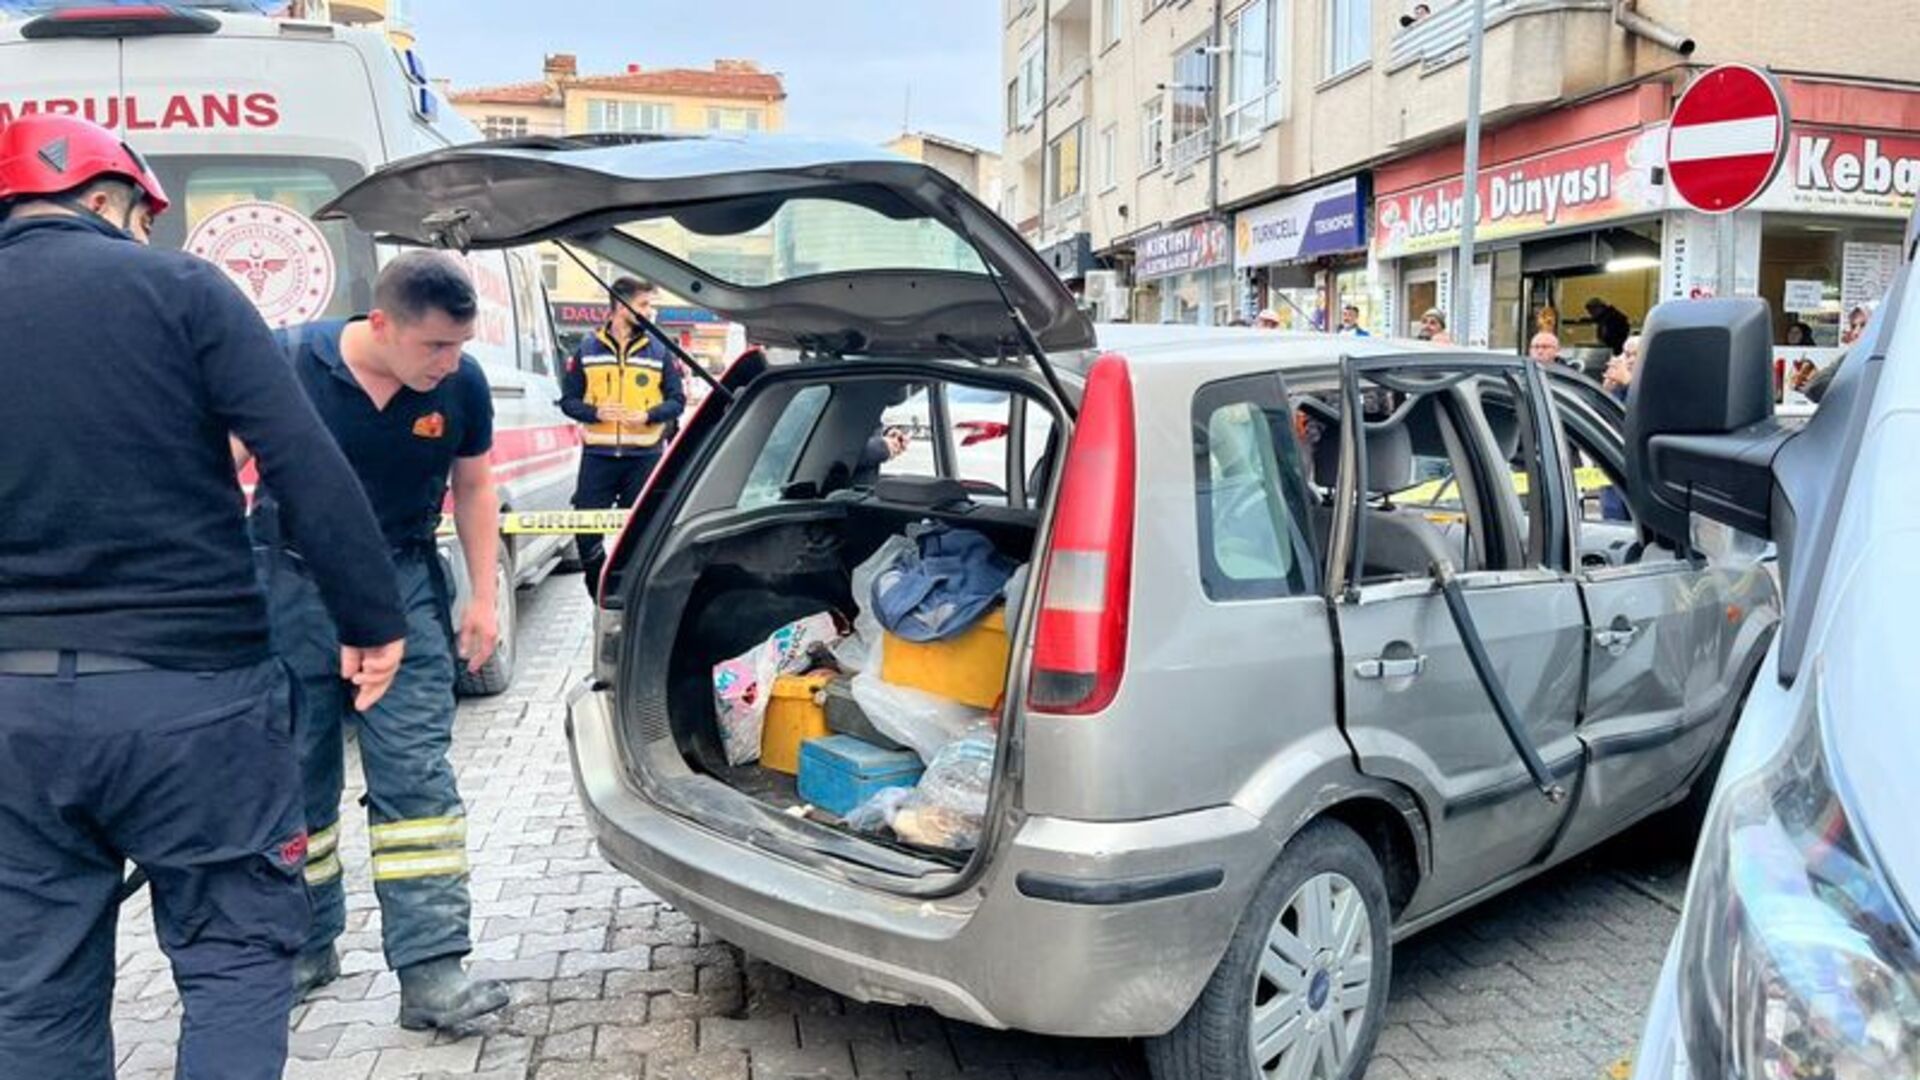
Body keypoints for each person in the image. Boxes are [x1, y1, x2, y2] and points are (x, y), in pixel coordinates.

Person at [0, 113, 407, 1079]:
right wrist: (371, 619)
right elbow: (300, 455)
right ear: (111, 202)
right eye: (146, 218)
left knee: (32, 982)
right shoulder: (183, 289)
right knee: (233, 954)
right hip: (194, 700)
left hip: (12, 714)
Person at [236, 253, 511, 1031]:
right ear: (381, 324)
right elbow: (217, 467)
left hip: (405, 586)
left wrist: (483, 597)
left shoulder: (461, 385)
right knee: (295, 775)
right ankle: (305, 945)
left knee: (417, 779)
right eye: (435, 346)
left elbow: (474, 485)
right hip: (290, 587)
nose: (450, 363)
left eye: (460, 345)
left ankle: (432, 973)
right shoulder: (287, 363)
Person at [559, 276, 686, 600]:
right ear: (620, 305)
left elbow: (677, 401)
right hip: (598, 457)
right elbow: (568, 401)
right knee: (586, 535)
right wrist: (595, 412)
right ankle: (600, 597)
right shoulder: (587, 349)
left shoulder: (659, 350)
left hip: (644, 457)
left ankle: (630, 599)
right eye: (644, 304)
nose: (650, 311)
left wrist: (648, 415)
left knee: (643, 538)